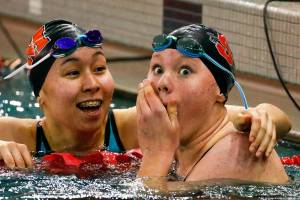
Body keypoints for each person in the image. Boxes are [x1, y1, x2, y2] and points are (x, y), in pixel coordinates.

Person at [0, 20, 290, 170]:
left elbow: (232, 115)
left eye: (100, 68)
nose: (92, 84)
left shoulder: (136, 124)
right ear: (41, 96)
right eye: (73, 73)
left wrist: (267, 116)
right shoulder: (17, 135)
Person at [137, 24, 289, 184]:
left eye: (185, 71)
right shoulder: (176, 136)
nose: (163, 82)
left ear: (220, 91)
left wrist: (156, 154)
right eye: (158, 69)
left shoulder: (235, 151)